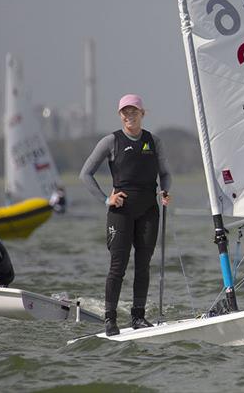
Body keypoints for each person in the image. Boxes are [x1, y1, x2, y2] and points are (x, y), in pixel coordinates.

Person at [79, 94, 171, 336]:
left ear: (143, 113)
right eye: (125, 112)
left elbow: (165, 174)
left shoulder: (154, 141)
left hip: (149, 211)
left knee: (143, 265)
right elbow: (85, 174)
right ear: (120, 115)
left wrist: (165, 191)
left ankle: (138, 317)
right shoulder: (111, 141)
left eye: (134, 111)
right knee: (117, 267)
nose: (129, 115)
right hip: (120, 212)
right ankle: (110, 320)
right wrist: (106, 200)